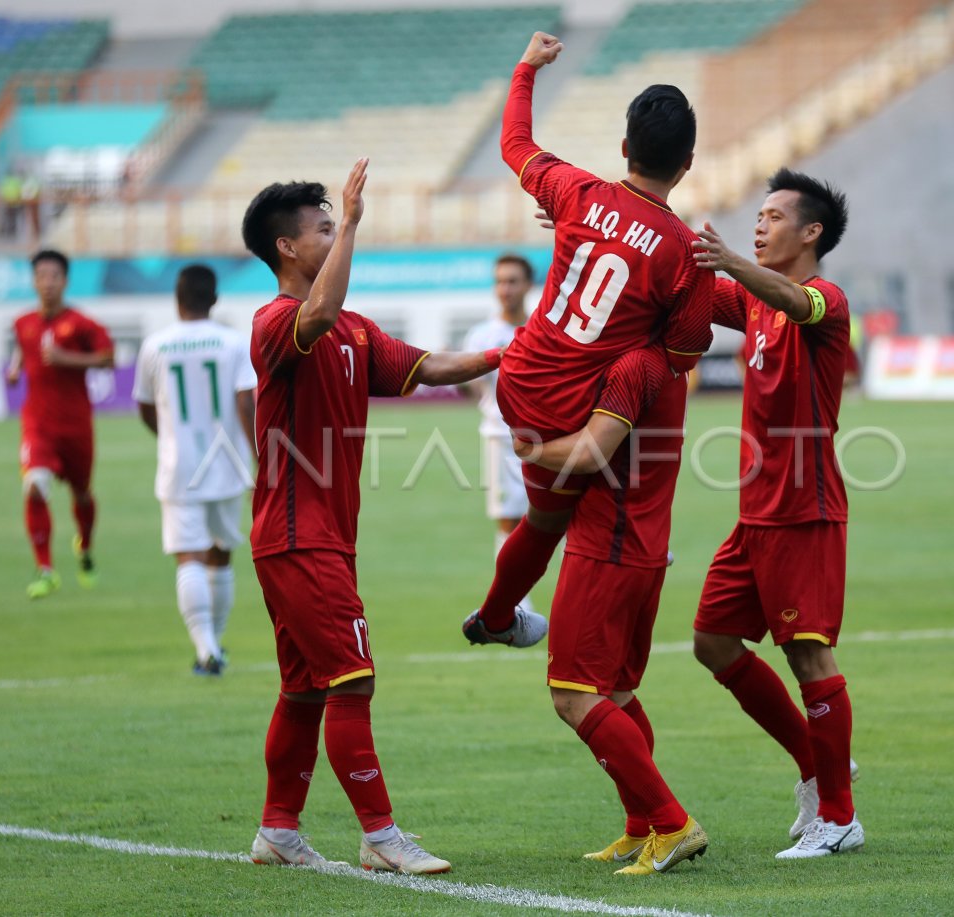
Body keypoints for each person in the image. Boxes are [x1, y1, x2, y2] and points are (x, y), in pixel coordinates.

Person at [241, 166, 500, 875]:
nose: (334, 230)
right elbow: (315, 316)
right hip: (300, 534)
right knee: (353, 679)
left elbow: (427, 367)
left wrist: (509, 353)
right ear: (286, 248)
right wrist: (353, 220)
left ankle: (278, 830)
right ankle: (381, 834)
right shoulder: (274, 323)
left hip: (313, 536)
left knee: (303, 688)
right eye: (321, 228)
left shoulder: (356, 330)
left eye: (336, 223)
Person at [463, 31, 714, 649]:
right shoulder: (685, 250)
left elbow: (514, 142)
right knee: (645, 382)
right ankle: (638, 543)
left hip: (520, 383)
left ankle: (497, 617)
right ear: (687, 163)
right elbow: (681, 356)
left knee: (545, 518)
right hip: (577, 405)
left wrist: (525, 68)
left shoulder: (576, 193)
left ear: (625, 146)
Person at [690, 168, 863, 859]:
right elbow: (691, 282)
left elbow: (794, 299)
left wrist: (731, 259)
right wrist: (601, 232)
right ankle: (817, 767)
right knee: (712, 641)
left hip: (803, 507)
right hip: (755, 513)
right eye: (756, 217)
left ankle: (839, 815)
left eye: (772, 216)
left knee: (808, 653)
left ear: (811, 231)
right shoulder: (755, 302)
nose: (758, 226)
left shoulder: (823, 298)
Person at [513, 345, 708, 875]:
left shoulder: (633, 364)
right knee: (617, 694)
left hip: (607, 549)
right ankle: (640, 825)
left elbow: (588, 453)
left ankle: (671, 824)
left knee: (573, 695)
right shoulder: (669, 364)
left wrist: (529, 448)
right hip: (645, 549)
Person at [133, 264, 257, 676]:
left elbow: (146, 408)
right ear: (215, 299)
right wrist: (258, 458)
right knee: (220, 554)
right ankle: (214, 645)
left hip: (179, 464)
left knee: (189, 555)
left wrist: (169, 438)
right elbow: (246, 404)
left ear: (177, 298)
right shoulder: (234, 343)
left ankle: (206, 648)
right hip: (227, 462)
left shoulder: (155, 345)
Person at [7, 249, 114, 599]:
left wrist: (66, 358)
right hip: (37, 424)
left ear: (65, 281)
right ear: (34, 281)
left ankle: (84, 546)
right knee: (34, 485)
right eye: (42, 276)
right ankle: (46, 569)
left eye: (54, 276)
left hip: (76, 427)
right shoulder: (22, 323)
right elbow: (24, 347)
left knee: (81, 494)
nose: (48, 283)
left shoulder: (83, 324)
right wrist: (16, 367)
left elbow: (108, 357)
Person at [460, 253, 537, 614]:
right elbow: (465, 383)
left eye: (512, 281)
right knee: (509, 520)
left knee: (564, 516)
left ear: (528, 285)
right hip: (501, 439)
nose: (505, 289)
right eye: (499, 281)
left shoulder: (542, 327)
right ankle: (516, 602)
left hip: (551, 439)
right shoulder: (483, 335)